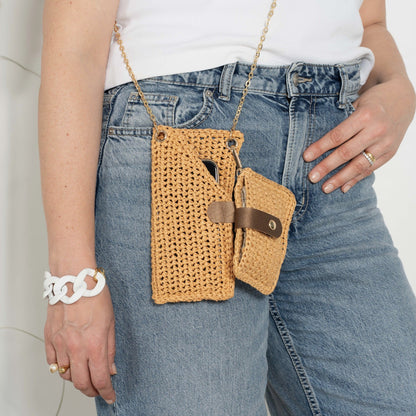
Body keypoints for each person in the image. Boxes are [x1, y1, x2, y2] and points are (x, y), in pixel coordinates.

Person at [38, 0, 416, 414]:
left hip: (333, 149)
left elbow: (370, 20)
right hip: (182, 142)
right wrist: (72, 281)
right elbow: (75, 49)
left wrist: (397, 84)